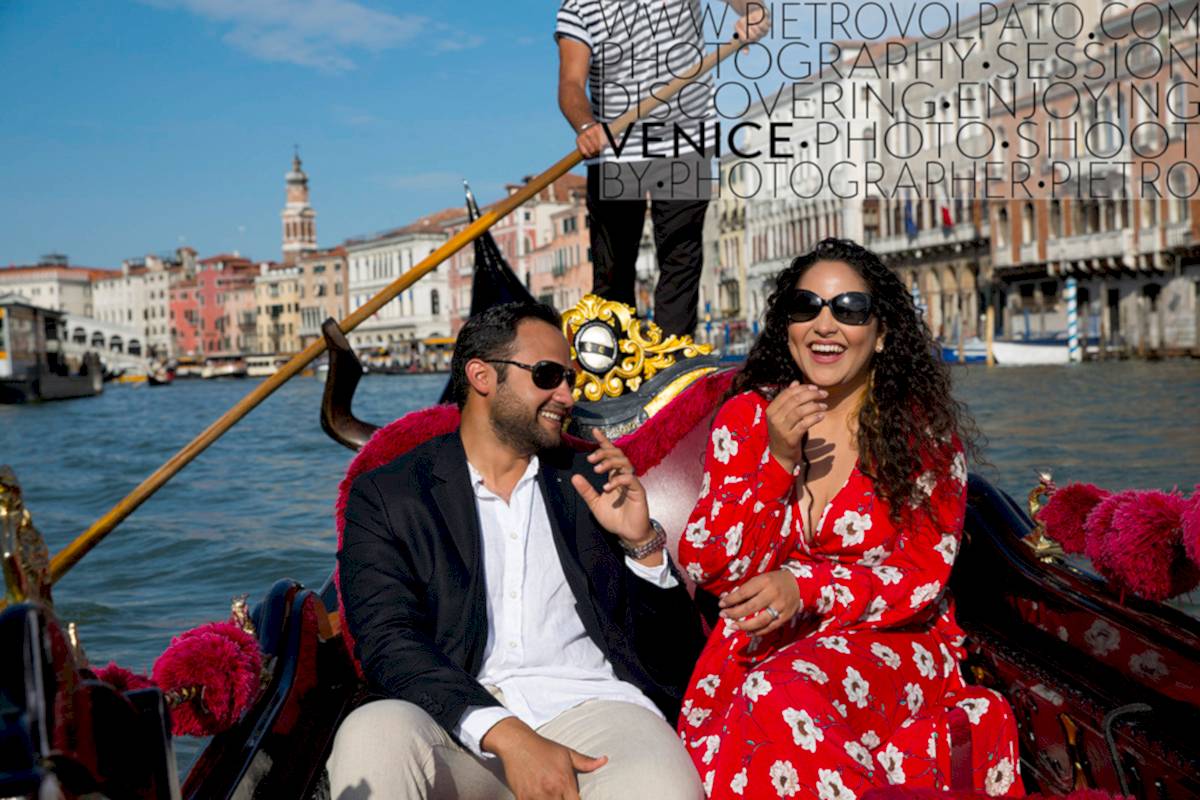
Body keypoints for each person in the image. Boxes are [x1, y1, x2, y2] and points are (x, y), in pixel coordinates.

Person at [675, 239, 1024, 797]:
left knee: (776, 695)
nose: (824, 324)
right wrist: (778, 462)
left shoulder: (922, 439)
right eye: (805, 306)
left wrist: (806, 586)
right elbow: (713, 566)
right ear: (787, 326)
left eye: (849, 309)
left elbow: (919, 577)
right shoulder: (745, 419)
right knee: (759, 696)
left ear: (881, 333)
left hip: (890, 643)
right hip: (764, 642)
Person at [328, 301, 706, 800]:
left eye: (570, 378)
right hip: (455, 719)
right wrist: (506, 734)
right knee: (372, 733)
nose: (567, 395)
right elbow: (388, 642)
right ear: (482, 376)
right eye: (549, 376)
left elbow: (674, 660)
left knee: (664, 789)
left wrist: (643, 545)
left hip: (596, 716)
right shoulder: (389, 494)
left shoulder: (593, 479)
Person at [555, 0, 770, 337]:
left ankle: (674, 358)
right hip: (614, 147)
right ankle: (615, 360)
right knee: (613, 271)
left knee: (681, 257)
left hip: (687, 139)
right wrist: (585, 127)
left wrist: (753, 14)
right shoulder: (579, 6)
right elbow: (570, 83)